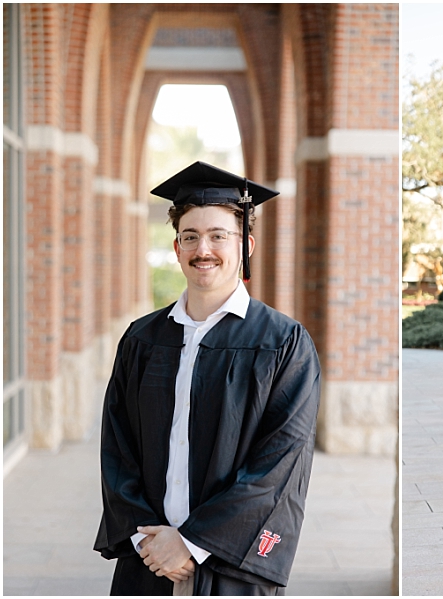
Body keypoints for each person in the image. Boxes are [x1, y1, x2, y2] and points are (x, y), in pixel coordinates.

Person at [94, 162, 321, 595]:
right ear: (176, 248)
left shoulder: (283, 343)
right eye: (191, 236)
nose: (204, 249)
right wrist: (147, 539)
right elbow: (117, 447)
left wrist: (192, 543)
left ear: (245, 245)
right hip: (149, 561)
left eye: (219, 235)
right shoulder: (143, 339)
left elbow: (278, 466)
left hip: (230, 566)